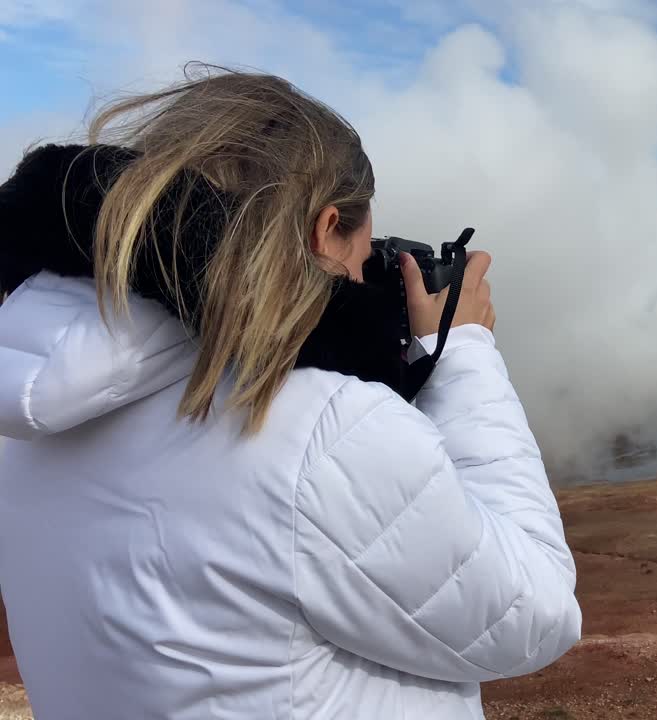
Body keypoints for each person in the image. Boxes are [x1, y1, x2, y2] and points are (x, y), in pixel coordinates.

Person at [0, 67, 581, 719]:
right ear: (324, 228)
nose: (365, 282)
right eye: (363, 258)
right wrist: (465, 354)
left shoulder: (27, 422)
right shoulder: (318, 434)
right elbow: (537, 609)